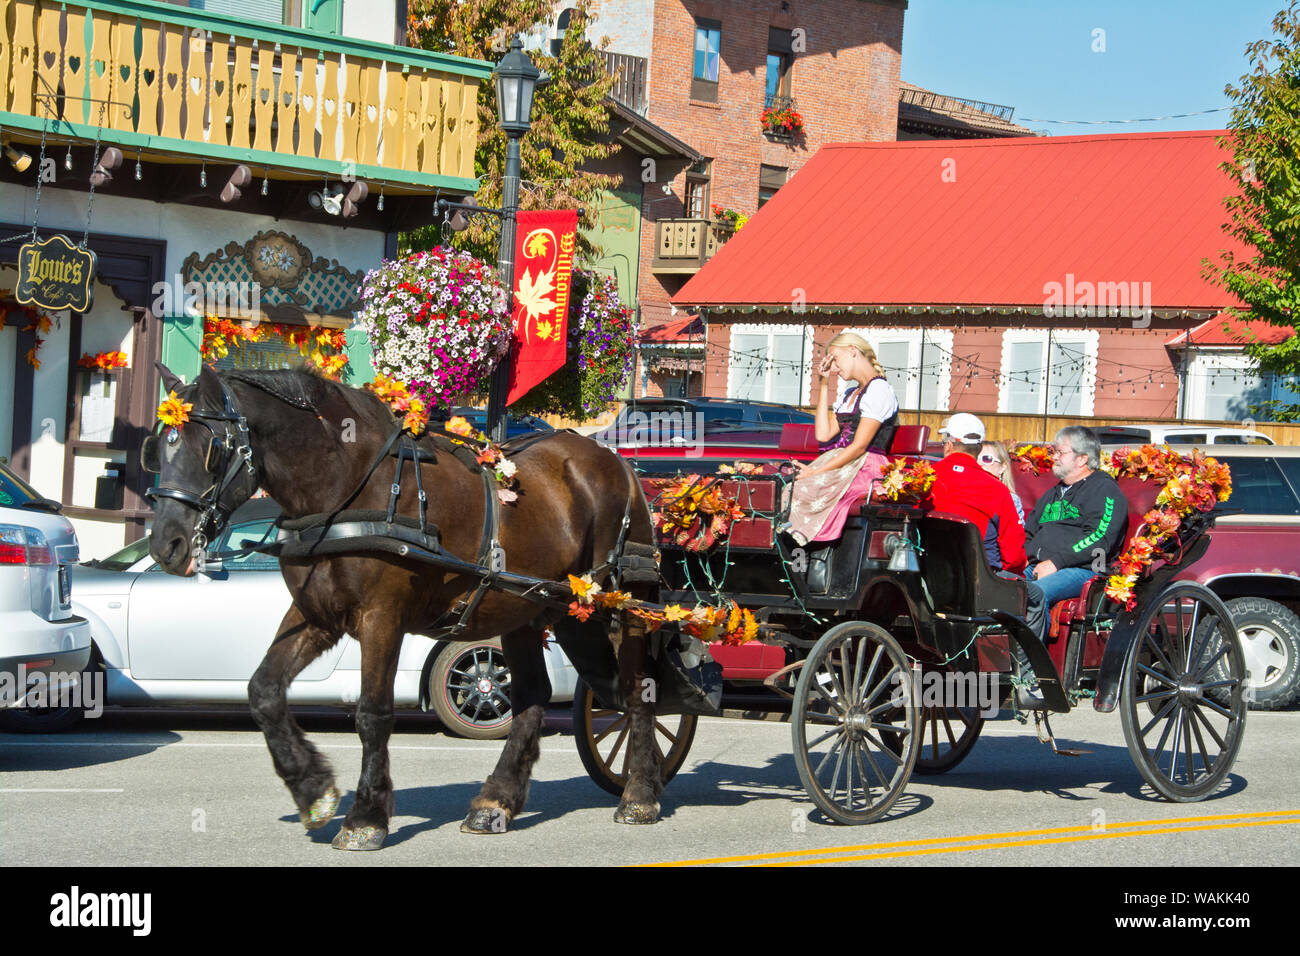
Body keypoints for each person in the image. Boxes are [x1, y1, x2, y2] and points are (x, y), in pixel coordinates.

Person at [1017, 426, 1129, 704]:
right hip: (1040, 566)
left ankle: (1031, 679)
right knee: (1001, 585)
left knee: (1035, 593)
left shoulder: (1104, 490)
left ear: (1082, 459)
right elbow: (1030, 532)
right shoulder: (1054, 494)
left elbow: (1101, 537)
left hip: (1085, 570)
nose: (1054, 456)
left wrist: (1056, 562)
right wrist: (1030, 559)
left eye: (1060, 451)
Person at [780, 332, 899, 545]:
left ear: (852, 351)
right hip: (843, 460)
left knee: (802, 488)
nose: (834, 367)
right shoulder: (851, 393)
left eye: (835, 358)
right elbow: (823, 434)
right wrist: (823, 384)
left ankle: (800, 544)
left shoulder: (879, 390)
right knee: (785, 484)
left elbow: (860, 445)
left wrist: (816, 471)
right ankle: (790, 544)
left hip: (864, 465)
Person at [926, 414, 1026, 574]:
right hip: (980, 579)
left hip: (929, 572)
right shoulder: (997, 489)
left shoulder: (924, 478)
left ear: (949, 445)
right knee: (1038, 596)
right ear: (978, 449)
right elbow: (1014, 554)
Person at [978, 440, 1025, 570]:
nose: (979, 464)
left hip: (996, 567)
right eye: (975, 459)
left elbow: (1015, 542)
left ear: (1003, 466)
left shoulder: (1010, 499)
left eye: (987, 459)